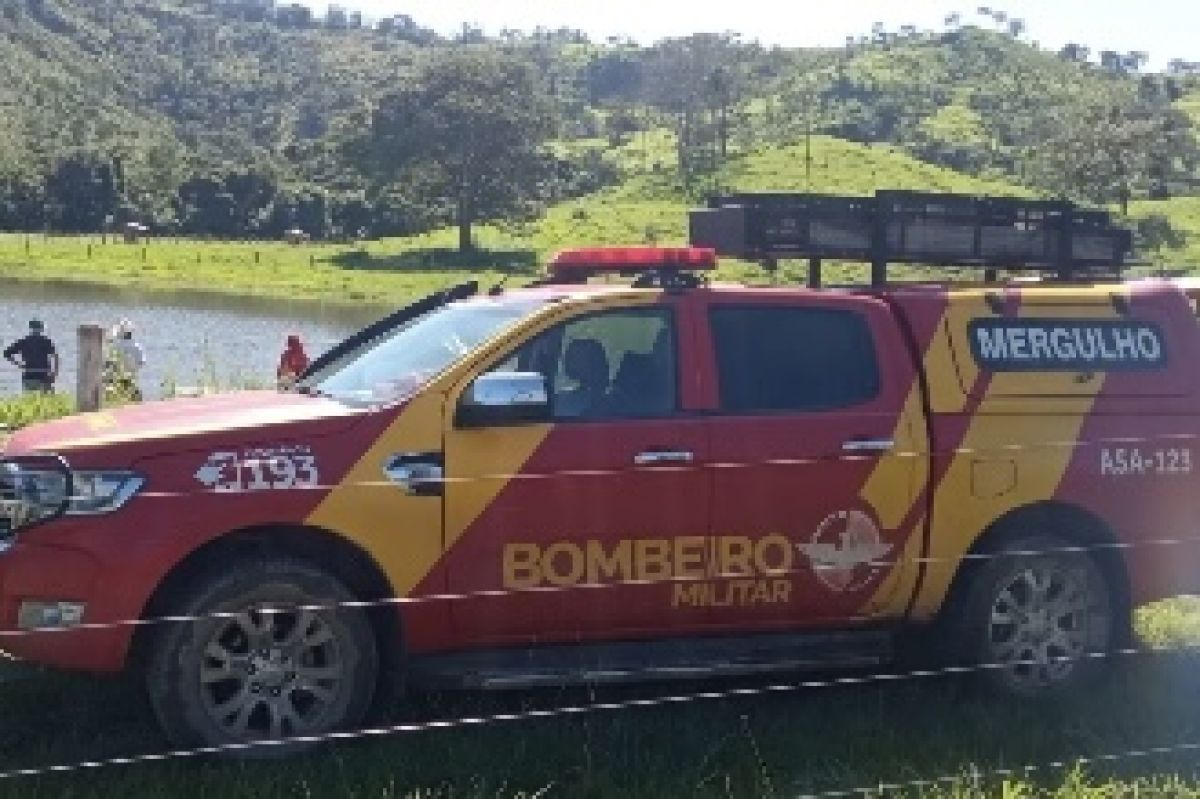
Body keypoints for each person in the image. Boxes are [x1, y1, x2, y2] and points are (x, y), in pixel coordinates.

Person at [3, 320, 59, 393]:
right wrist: (54, 372)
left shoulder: (24, 341)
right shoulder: (46, 341)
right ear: (41, 329)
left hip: (29, 373)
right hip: (43, 374)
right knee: (46, 398)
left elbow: (6, 353)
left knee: (29, 398)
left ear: (31, 329)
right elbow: (55, 356)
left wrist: (18, 364)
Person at [106, 319, 146, 401]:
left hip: (116, 378)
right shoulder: (137, 346)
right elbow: (142, 362)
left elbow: (109, 362)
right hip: (131, 377)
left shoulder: (116, 346)